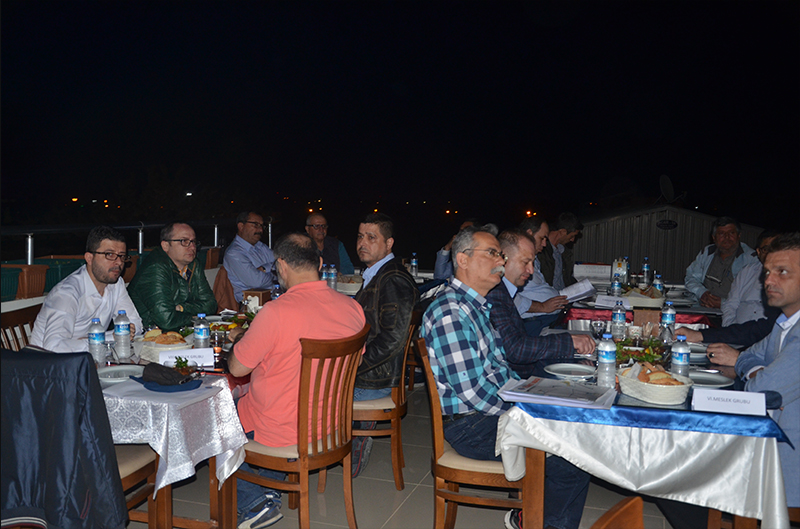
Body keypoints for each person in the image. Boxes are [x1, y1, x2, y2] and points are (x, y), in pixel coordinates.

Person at [422, 225, 590, 529]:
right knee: (572, 459)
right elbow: (474, 392)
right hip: (471, 425)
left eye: (500, 254)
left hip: (487, 414)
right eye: (492, 253)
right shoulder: (450, 312)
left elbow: (500, 368)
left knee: (568, 422)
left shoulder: (474, 306)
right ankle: (537, 523)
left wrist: (531, 394)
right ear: (462, 259)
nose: (501, 261)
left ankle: (532, 517)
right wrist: (524, 411)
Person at [227, 233, 366, 529]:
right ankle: (269, 488)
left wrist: (239, 341)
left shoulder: (276, 312)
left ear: (281, 266)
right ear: (319, 263)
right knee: (271, 396)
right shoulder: (352, 308)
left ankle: (253, 502)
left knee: (213, 416)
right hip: (332, 427)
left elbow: (237, 369)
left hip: (285, 431)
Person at [734, 232, 799, 508]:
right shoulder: (785, 323)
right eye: (767, 272)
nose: (768, 281)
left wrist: (758, 377)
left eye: (782, 272)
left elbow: (761, 391)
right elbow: (747, 356)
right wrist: (759, 370)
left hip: (788, 466)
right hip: (769, 444)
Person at [351, 213, 419, 477]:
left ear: (389, 243)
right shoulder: (377, 275)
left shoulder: (393, 279)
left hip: (375, 379)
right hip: (372, 372)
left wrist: (354, 366)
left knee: (309, 388)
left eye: (371, 237)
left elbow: (392, 339)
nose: (362, 243)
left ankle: (344, 448)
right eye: (360, 236)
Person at [486, 230, 595, 377]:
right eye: (525, 262)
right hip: (515, 377)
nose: (531, 270)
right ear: (503, 260)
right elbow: (516, 349)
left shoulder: (504, 291)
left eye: (532, 263)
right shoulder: (495, 293)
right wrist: (569, 341)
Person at [30, 226, 141, 352]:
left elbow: (135, 324)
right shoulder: (67, 293)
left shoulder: (115, 283)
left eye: (122, 256)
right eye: (110, 255)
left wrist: (91, 339)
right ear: (89, 258)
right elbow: (53, 347)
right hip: (49, 362)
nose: (119, 263)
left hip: (91, 359)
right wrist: (108, 338)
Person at [128, 222, 216, 331]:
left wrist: (181, 308)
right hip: (147, 333)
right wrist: (196, 318)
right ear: (165, 245)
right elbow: (167, 320)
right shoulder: (155, 268)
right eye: (184, 241)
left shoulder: (193, 264)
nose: (192, 247)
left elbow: (211, 304)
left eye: (193, 241)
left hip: (178, 331)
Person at [684, 217, 758, 308]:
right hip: (703, 308)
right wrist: (702, 293)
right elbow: (691, 278)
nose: (727, 237)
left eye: (731, 233)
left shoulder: (752, 259)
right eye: (721, 233)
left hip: (735, 312)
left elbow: (753, 296)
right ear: (714, 237)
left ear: (739, 235)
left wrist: (723, 303)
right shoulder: (707, 252)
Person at [515, 217, 569, 336]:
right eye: (542, 238)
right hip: (534, 322)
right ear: (529, 234)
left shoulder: (535, 260)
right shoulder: (513, 262)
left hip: (547, 318)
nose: (544, 244)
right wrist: (542, 306)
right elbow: (511, 299)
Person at [721, 230, 778, 326]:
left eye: (775, 248)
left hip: (767, 331)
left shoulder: (789, 276)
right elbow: (730, 304)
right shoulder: (747, 271)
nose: (771, 253)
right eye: (766, 249)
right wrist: (729, 327)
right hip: (738, 329)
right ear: (758, 252)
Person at [223, 212, 276, 302]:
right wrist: (278, 276)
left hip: (272, 298)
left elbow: (281, 263)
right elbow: (257, 282)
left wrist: (264, 268)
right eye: (255, 225)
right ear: (241, 226)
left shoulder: (260, 246)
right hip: (251, 303)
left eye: (262, 226)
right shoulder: (234, 253)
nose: (260, 230)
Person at [538, 212, 582, 290]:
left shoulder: (563, 251)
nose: (572, 240)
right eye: (572, 236)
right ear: (562, 232)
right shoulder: (541, 251)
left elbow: (567, 279)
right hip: (550, 295)